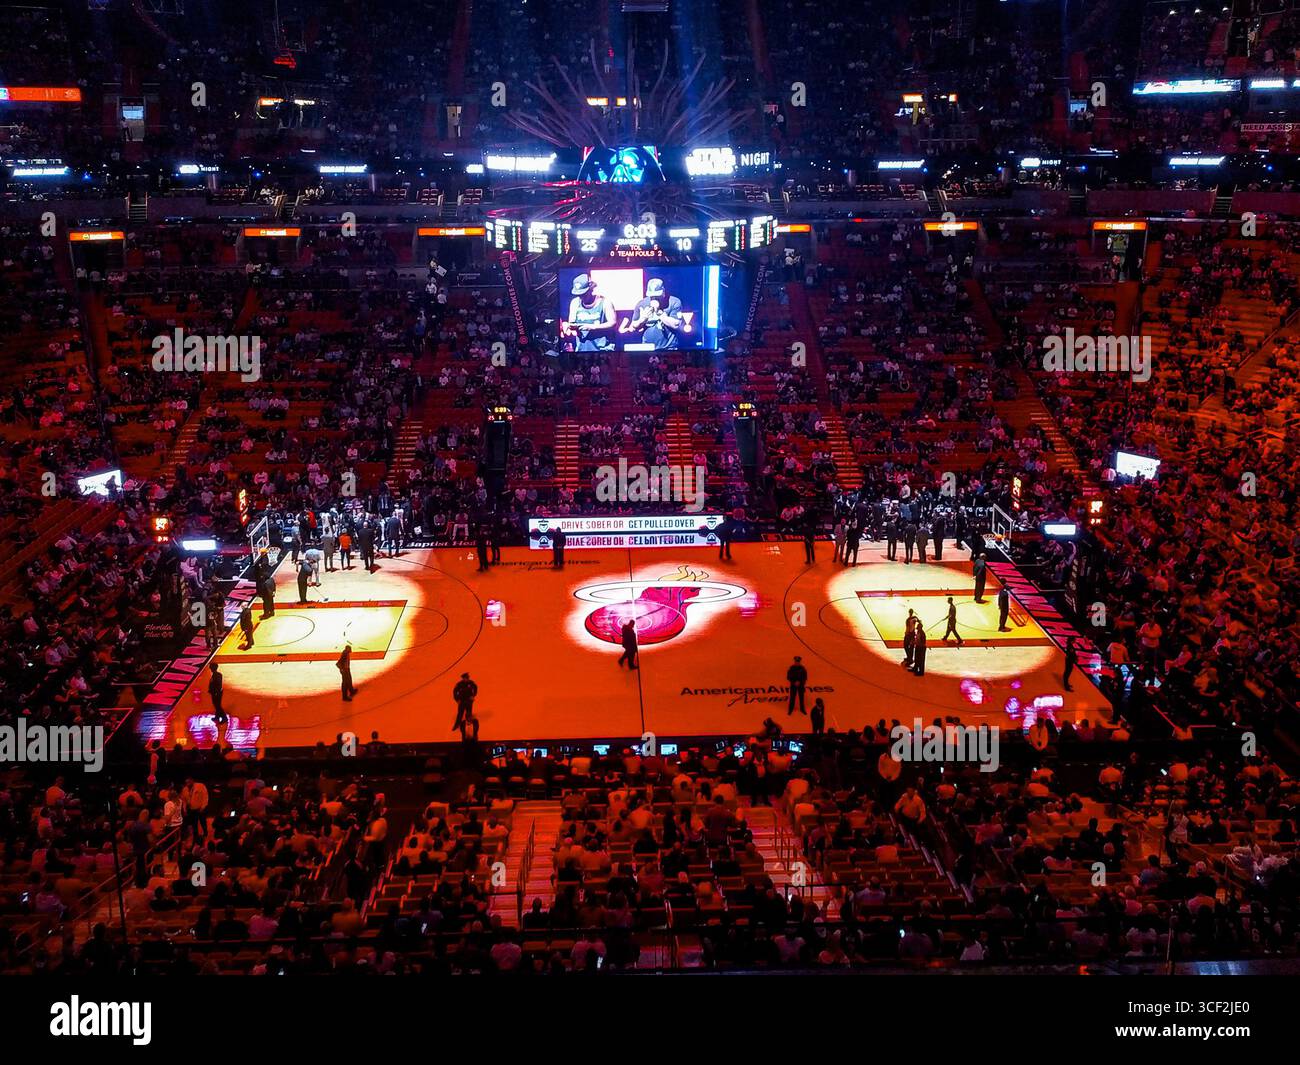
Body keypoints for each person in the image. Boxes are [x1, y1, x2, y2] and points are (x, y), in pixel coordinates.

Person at [562, 274, 617, 352]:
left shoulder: (605, 302)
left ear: (590, 289)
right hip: (583, 347)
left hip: (603, 348)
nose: (581, 297)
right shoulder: (575, 302)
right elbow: (572, 322)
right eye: (579, 295)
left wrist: (592, 327)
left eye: (584, 294)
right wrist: (568, 326)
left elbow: (613, 323)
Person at [629, 277, 684, 349]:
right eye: (652, 296)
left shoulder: (674, 302)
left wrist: (659, 313)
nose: (654, 298)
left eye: (657, 296)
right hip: (647, 347)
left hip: (669, 347)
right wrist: (642, 319)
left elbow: (676, 325)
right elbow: (633, 327)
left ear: (663, 292)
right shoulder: (642, 304)